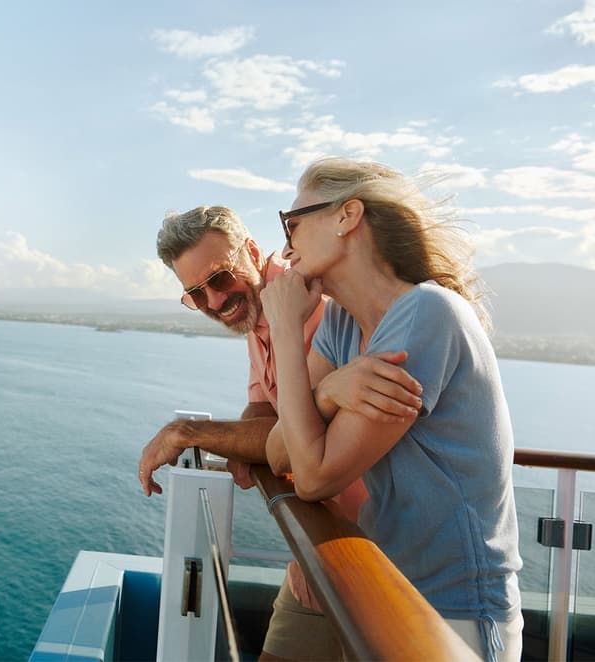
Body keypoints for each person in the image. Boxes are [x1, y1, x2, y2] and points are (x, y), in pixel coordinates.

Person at [261, 157, 523, 661]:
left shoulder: (427, 313)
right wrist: (328, 389)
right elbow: (278, 452)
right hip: (387, 589)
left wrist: (286, 332)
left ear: (347, 216)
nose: (287, 243)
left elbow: (312, 477)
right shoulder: (340, 324)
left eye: (293, 222)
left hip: (456, 614)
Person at [141, 205, 421, 661]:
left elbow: (287, 440)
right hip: (319, 550)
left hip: (383, 560)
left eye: (219, 278)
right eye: (195, 293)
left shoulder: (308, 304)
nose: (214, 301)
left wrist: (188, 433)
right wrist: (239, 445)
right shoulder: (255, 310)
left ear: (251, 251)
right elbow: (261, 406)